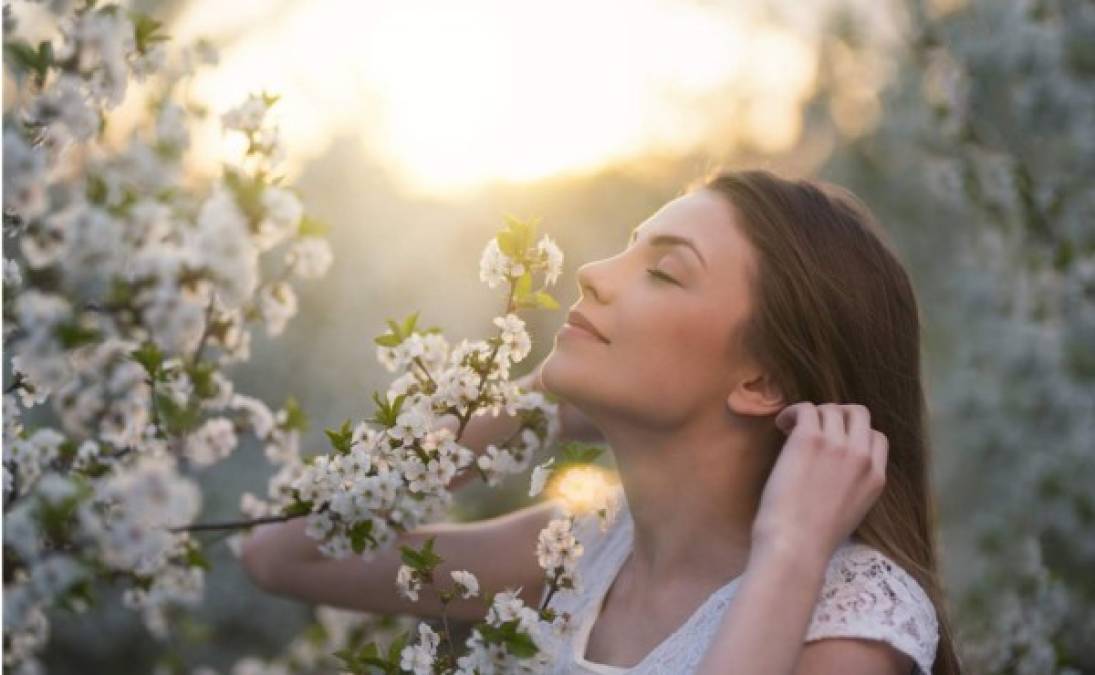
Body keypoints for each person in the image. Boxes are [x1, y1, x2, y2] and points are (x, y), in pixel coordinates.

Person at [241, 169, 961, 674]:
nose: (592, 271)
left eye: (664, 271)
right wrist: (530, 406)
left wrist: (792, 547)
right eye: (627, 245)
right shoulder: (578, 554)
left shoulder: (846, 616)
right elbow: (282, 553)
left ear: (761, 379)